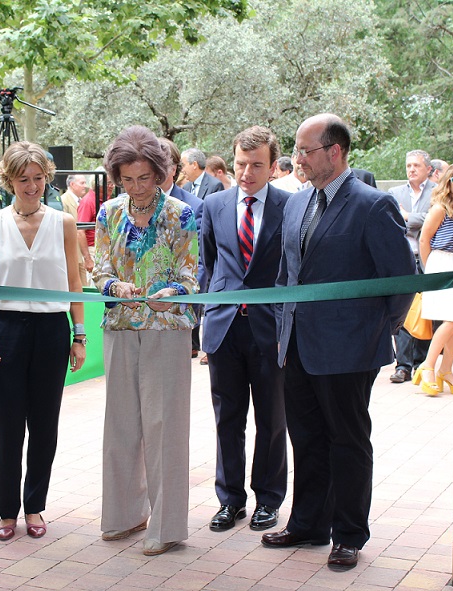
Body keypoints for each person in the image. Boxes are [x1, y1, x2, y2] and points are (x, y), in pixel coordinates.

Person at [264, 114, 414, 571]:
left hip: (348, 348)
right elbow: (288, 272)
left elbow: (402, 279)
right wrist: (281, 322)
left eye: (306, 150)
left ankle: (349, 534)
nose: (298, 159)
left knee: (347, 441)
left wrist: (376, 328)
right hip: (296, 345)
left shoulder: (373, 205)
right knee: (306, 438)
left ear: (335, 151)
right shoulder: (295, 203)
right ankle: (309, 524)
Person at [94, 125, 199, 557]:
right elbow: (99, 270)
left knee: (164, 429)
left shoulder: (181, 214)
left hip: (167, 331)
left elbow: (191, 276)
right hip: (120, 328)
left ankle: (167, 526)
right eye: (127, 178)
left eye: (144, 177)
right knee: (119, 427)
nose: (135, 187)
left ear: (159, 173)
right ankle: (123, 516)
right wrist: (114, 286)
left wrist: (170, 295)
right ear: (116, 176)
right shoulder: (107, 214)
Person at [0, 141, 86, 543]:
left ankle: (34, 505)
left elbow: (75, 283)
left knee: (44, 424)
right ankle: (7, 511)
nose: (33, 186)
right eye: (24, 179)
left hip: (51, 329)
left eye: (39, 178)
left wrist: (79, 335)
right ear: (10, 181)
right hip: (6, 330)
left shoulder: (63, 223)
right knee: (7, 424)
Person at [200, 126, 290, 534]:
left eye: (256, 165)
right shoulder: (214, 204)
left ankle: (268, 500)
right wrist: (202, 324)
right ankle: (229, 500)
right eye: (240, 164)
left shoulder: (291, 206)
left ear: (273, 167)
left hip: (270, 329)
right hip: (223, 328)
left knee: (272, 420)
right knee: (227, 419)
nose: (246, 172)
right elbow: (209, 263)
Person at [414, 163, 453, 396]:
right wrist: (429, 270)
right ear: (448, 183)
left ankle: (446, 369)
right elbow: (424, 240)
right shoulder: (441, 209)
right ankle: (428, 366)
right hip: (441, 263)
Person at [387, 149, 436, 383]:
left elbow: (436, 219)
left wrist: (408, 217)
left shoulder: (437, 192)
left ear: (428, 169)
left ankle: (421, 362)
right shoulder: (394, 193)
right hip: (404, 258)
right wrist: (416, 218)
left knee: (427, 311)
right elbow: (393, 221)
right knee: (404, 310)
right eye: (408, 166)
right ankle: (403, 365)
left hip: (428, 258)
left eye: (416, 165)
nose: (412, 170)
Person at [159, 138, 206, 359]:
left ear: (174, 168)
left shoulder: (194, 207)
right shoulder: (124, 205)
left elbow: (200, 263)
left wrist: (185, 303)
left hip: (177, 313)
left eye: (160, 164)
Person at [61, 173, 90, 287]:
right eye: (82, 183)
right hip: (72, 253)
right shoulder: (63, 201)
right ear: (72, 184)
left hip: (80, 253)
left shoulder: (81, 201)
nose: (85, 186)